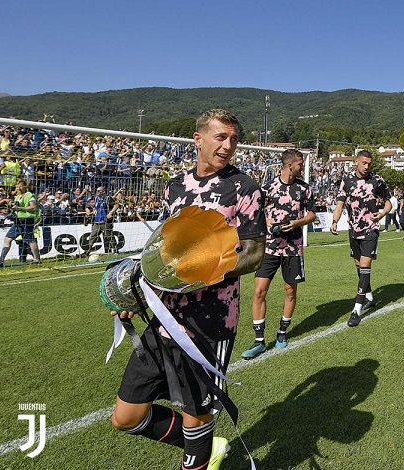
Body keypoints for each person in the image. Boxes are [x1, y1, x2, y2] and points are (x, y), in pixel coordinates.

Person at [109, 109, 266, 470]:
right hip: (165, 316)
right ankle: (205, 445)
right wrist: (138, 293)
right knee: (125, 417)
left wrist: (205, 272)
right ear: (198, 139)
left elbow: (255, 253)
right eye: (220, 138)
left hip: (211, 321)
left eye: (233, 140)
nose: (228, 146)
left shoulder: (244, 188)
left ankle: (199, 448)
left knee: (197, 418)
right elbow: (164, 249)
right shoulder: (176, 186)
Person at [241, 149, 316, 359]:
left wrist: (298, 222)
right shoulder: (268, 187)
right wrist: (267, 221)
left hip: (293, 249)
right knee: (259, 292)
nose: (303, 167)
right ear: (289, 165)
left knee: (290, 291)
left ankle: (282, 333)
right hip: (269, 248)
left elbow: (312, 214)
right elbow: (257, 212)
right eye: (300, 163)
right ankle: (259, 341)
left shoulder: (305, 189)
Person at [330, 150, 391, 327]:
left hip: (371, 229)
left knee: (365, 266)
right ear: (356, 162)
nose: (367, 166)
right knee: (358, 265)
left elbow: (388, 201)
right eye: (364, 163)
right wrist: (334, 221)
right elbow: (340, 202)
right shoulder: (347, 180)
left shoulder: (378, 180)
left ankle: (356, 309)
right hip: (353, 229)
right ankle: (370, 297)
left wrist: (382, 214)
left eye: (369, 163)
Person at [0, 179, 41, 266]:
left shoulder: (30, 196)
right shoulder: (17, 197)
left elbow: (33, 207)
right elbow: (16, 208)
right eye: (17, 186)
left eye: (20, 186)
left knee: (30, 240)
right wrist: (11, 207)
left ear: (25, 187)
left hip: (27, 220)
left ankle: (36, 259)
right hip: (18, 221)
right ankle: (1, 261)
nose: (18, 188)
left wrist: (19, 208)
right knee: (7, 239)